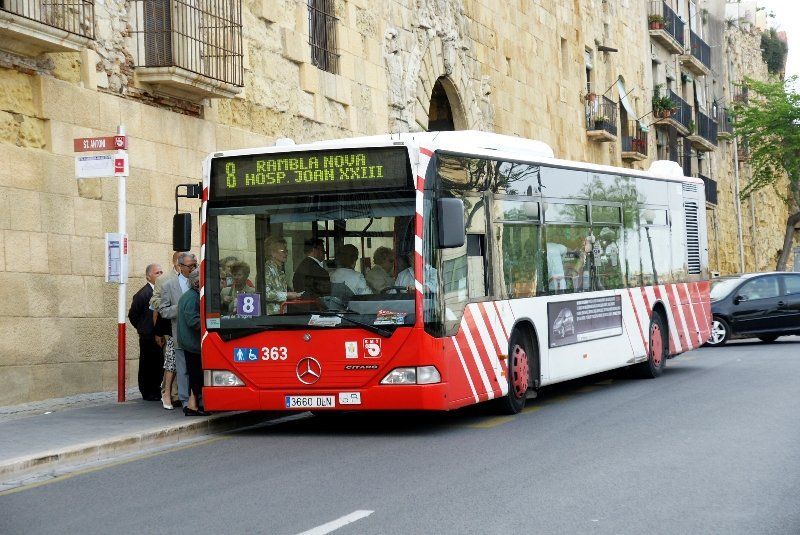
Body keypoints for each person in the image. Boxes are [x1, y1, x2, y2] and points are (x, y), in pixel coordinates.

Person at [158, 252, 196, 409]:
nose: (193, 269)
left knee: (196, 368)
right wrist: (180, 307)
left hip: (197, 332)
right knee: (182, 369)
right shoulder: (168, 285)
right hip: (180, 333)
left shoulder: (199, 282)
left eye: (195, 265)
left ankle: (197, 399)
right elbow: (163, 311)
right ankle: (185, 401)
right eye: (190, 266)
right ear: (180, 267)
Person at [127, 263, 165, 401]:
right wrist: (142, 328)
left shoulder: (160, 291)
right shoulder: (143, 294)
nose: (160, 275)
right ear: (148, 277)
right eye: (157, 273)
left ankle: (157, 390)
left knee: (158, 363)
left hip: (159, 334)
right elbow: (133, 315)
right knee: (147, 364)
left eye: (161, 272)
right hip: (148, 336)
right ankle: (148, 392)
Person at [150, 251, 181, 409]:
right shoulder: (163, 279)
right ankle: (172, 394)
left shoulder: (193, 277)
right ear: (176, 262)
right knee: (171, 361)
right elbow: (154, 302)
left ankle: (180, 394)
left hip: (187, 325)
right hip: (170, 325)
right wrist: (167, 302)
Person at [177, 268, 208, 416]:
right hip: (192, 344)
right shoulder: (192, 298)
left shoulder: (191, 296)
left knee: (195, 374)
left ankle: (193, 404)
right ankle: (193, 406)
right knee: (195, 375)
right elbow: (193, 321)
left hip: (190, 342)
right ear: (197, 283)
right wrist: (210, 326)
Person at [264, 237, 301, 314]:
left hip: (281, 314)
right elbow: (265, 293)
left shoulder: (279, 271)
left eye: (286, 251)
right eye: (283, 251)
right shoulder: (267, 270)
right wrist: (287, 295)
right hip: (270, 317)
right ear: (272, 253)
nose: (286, 254)